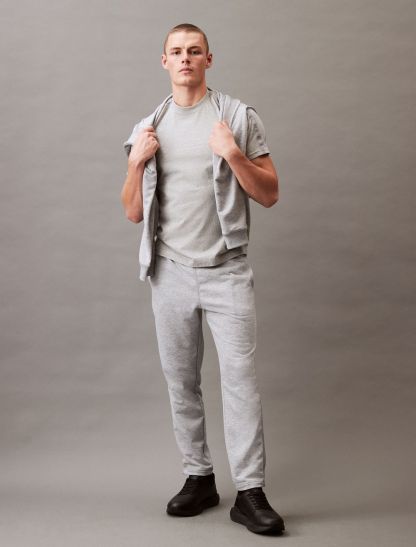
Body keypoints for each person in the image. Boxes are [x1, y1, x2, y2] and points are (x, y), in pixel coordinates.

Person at [120, 23, 285, 536]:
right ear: (164, 61)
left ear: (208, 60)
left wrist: (232, 153)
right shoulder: (149, 125)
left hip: (226, 272)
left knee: (240, 383)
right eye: (177, 52)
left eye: (194, 51)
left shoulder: (236, 117)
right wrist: (136, 162)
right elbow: (132, 212)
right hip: (168, 272)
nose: (185, 58)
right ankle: (199, 477)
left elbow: (270, 193)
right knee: (181, 383)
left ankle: (250, 492)